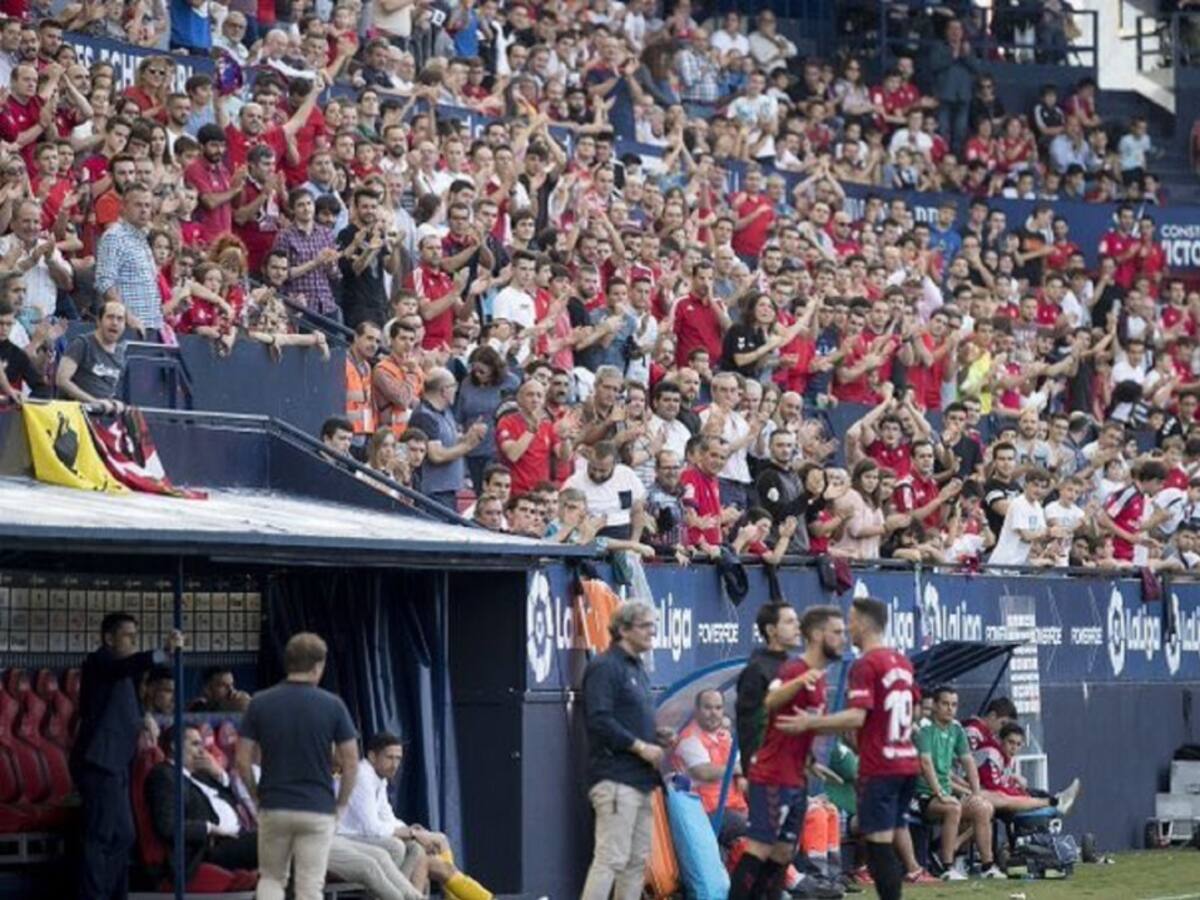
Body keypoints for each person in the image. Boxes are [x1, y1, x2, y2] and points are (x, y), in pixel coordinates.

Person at [785, 597, 920, 900]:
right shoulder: (902, 661)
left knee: (878, 846)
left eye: (851, 620)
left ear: (862, 623)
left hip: (882, 766)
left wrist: (811, 723)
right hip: (907, 763)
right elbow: (914, 709)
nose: (847, 628)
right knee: (885, 842)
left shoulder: (866, 664)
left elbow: (857, 716)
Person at [730, 605, 845, 900]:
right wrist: (750, 767)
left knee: (783, 852)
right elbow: (752, 722)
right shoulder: (762, 670)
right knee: (760, 846)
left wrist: (808, 760)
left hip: (795, 773)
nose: (797, 627)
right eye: (790, 621)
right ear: (770, 630)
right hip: (770, 774)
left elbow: (792, 724)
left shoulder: (803, 668)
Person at [235, 632, 360, 900]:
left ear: (287, 662)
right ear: (318, 666)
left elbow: (242, 761)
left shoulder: (260, 703)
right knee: (309, 886)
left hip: (274, 805)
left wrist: (257, 796)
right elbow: (350, 762)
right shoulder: (333, 705)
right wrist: (341, 804)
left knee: (271, 878)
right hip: (317, 808)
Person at [72, 612, 184, 900]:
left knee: (124, 835)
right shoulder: (100, 662)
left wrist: (143, 717)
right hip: (99, 761)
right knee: (100, 836)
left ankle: (114, 893)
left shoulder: (124, 671)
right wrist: (162, 652)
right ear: (109, 638)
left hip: (118, 762)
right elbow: (124, 668)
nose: (134, 642)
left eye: (136, 637)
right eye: (128, 636)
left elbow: (127, 699)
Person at [580, 600, 671, 900]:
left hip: (641, 780)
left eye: (653, 625)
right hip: (615, 778)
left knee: (635, 862)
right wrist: (640, 746)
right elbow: (599, 719)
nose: (652, 632)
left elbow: (625, 720)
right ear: (622, 629)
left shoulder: (637, 668)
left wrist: (655, 736)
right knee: (611, 858)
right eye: (645, 625)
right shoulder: (605, 667)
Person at [340, 732, 492, 900]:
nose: (395, 764)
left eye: (398, 759)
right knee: (420, 854)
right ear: (372, 756)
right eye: (389, 757)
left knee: (437, 841)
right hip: (348, 839)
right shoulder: (362, 777)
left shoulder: (379, 778)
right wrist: (412, 834)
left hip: (369, 838)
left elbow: (388, 818)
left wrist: (413, 831)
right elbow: (372, 828)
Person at [145, 724, 259, 884]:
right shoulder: (164, 776)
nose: (203, 751)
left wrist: (219, 774)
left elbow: (229, 800)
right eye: (195, 744)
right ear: (175, 746)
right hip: (208, 848)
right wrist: (209, 828)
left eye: (202, 745)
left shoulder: (201, 775)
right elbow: (168, 826)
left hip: (238, 836)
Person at [913, 686, 1003, 879]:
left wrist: (976, 794)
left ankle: (988, 866)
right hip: (923, 796)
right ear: (935, 706)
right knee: (953, 807)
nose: (950, 709)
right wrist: (940, 793)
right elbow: (925, 763)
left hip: (945, 794)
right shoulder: (925, 729)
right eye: (945, 704)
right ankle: (948, 867)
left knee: (984, 808)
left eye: (954, 705)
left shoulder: (956, 729)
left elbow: (968, 761)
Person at [672, 689, 748, 843]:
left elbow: (741, 763)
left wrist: (740, 774)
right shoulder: (689, 739)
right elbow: (704, 772)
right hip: (707, 813)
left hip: (734, 808)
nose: (713, 713)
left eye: (718, 708)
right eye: (708, 708)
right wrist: (735, 769)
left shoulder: (723, 735)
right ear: (697, 710)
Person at [406, 367, 487, 510]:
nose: (456, 390)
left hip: (448, 490)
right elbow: (436, 455)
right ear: (443, 390)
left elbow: (450, 442)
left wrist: (469, 435)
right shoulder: (424, 416)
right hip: (433, 493)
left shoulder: (446, 412)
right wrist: (467, 446)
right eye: (453, 386)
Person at [94, 184, 162, 340]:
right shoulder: (114, 237)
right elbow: (105, 283)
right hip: (126, 328)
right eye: (138, 205)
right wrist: (127, 317)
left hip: (150, 326)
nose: (144, 210)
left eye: (147, 205)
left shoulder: (143, 239)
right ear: (123, 207)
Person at [56, 299, 128, 413]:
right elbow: (61, 380)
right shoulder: (82, 344)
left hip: (103, 418)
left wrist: (115, 403)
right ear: (99, 321)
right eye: (110, 317)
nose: (115, 323)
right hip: (75, 414)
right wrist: (94, 402)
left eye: (120, 319)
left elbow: (111, 390)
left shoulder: (121, 353)